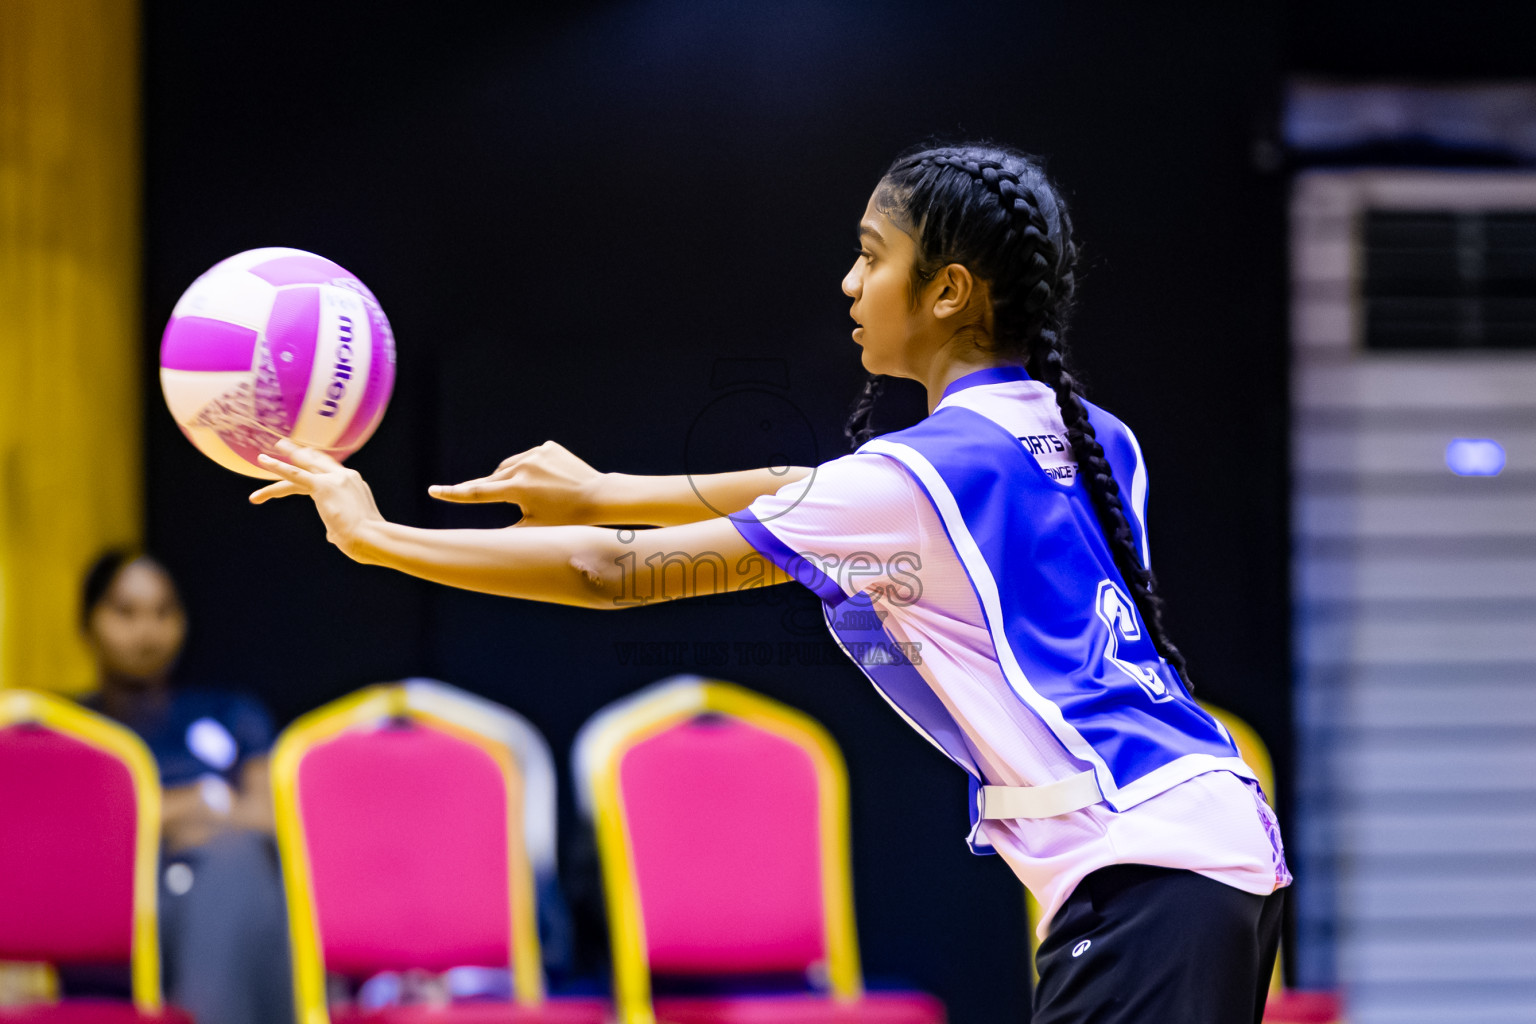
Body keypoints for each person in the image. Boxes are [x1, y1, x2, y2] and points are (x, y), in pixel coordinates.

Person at [251, 141, 1290, 1023]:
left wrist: (379, 535)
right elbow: (825, 492)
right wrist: (612, 486)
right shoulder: (1103, 445)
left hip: (1141, 875)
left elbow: (613, 575)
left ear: (948, 290)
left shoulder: (913, 479)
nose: (848, 281)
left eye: (871, 256)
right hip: (1221, 842)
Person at [79, 550, 294, 1024]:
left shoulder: (232, 713)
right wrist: (195, 804)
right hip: (113, 906)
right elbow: (73, 837)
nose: (147, 631)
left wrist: (155, 819)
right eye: (126, 611)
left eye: (163, 611)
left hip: (224, 888)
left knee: (236, 863)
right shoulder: (70, 731)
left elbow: (273, 817)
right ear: (87, 622)